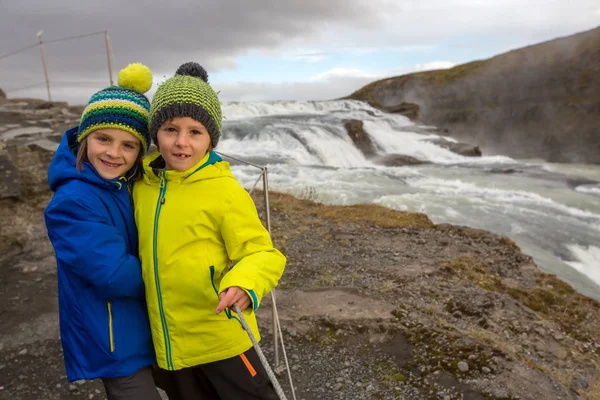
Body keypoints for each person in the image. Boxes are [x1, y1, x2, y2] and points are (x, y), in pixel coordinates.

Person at [133, 62, 286, 400]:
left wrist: (245, 284)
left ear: (210, 139)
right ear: (155, 132)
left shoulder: (224, 191)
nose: (181, 142)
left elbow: (262, 254)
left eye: (195, 132)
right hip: (171, 344)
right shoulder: (140, 186)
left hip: (222, 339)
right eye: (171, 129)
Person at [44, 63, 163, 400]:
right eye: (103, 139)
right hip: (114, 341)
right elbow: (114, 274)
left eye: (129, 145)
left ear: (141, 152)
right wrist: (178, 279)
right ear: (84, 137)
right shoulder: (71, 202)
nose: (114, 152)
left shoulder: (130, 185)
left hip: (145, 325)